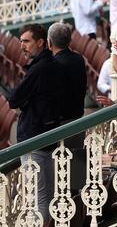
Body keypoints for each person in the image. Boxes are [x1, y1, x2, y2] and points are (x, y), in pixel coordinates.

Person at [8, 24, 60, 224]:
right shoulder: (52, 64)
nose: (22, 45)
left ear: (40, 42)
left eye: (27, 41)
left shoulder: (39, 69)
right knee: (47, 195)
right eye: (20, 41)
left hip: (35, 138)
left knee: (39, 198)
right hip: (47, 134)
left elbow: (14, 100)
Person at [48, 23, 86, 124]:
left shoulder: (51, 65)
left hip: (60, 122)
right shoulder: (79, 59)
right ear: (69, 41)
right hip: (78, 116)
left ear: (50, 43)